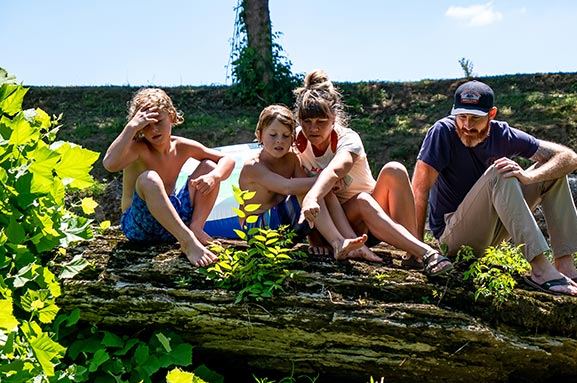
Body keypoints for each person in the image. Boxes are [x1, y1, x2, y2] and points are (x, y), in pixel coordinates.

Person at [411, 80, 577, 297]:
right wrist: (419, 250)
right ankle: (539, 268)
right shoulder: (442, 132)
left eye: (475, 119)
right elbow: (419, 190)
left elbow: (570, 158)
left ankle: (565, 266)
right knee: (501, 170)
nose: (467, 126)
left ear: (491, 114)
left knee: (552, 173)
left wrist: (528, 176)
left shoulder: (503, 134)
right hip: (453, 236)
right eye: (461, 117)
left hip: (492, 232)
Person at [295, 70, 453, 277]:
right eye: (306, 122)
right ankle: (425, 253)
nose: (312, 129)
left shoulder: (348, 139)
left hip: (373, 220)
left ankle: (413, 250)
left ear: (334, 118)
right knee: (338, 193)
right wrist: (314, 236)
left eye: (320, 122)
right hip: (334, 224)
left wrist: (312, 197)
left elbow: (336, 169)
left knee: (394, 170)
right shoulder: (295, 141)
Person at [103, 88, 235, 267]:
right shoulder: (137, 148)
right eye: (146, 125)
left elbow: (226, 159)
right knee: (149, 178)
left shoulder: (181, 146)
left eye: (158, 121)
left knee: (209, 167)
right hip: (140, 225)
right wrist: (131, 126)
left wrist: (214, 176)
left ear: (172, 116)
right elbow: (110, 164)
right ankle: (188, 242)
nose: (154, 129)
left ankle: (196, 228)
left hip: (173, 221)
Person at [238, 104, 368, 259]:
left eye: (286, 136)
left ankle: (345, 241)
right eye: (273, 135)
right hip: (257, 230)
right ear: (259, 135)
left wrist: (324, 185)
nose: (279, 141)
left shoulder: (292, 159)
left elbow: (309, 188)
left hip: (284, 229)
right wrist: (329, 180)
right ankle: (337, 241)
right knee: (315, 186)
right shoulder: (253, 166)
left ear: (293, 138)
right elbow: (286, 187)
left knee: (320, 190)